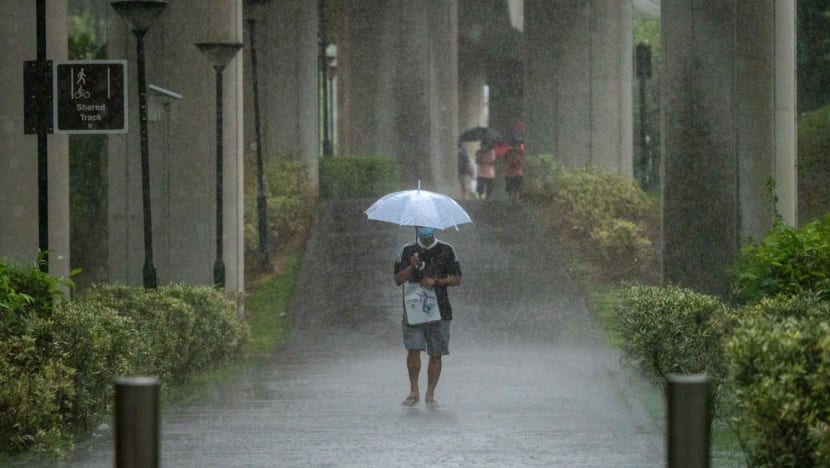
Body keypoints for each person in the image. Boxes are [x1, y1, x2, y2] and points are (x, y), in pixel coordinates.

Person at [393, 226, 462, 408]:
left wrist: (436, 282)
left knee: (436, 353)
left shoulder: (447, 250)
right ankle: (414, 390)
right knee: (414, 349)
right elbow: (398, 279)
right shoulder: (407, 250)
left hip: (440, 309)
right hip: (413, 308)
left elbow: (456, 278)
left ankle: (430, 393)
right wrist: (411, 267)